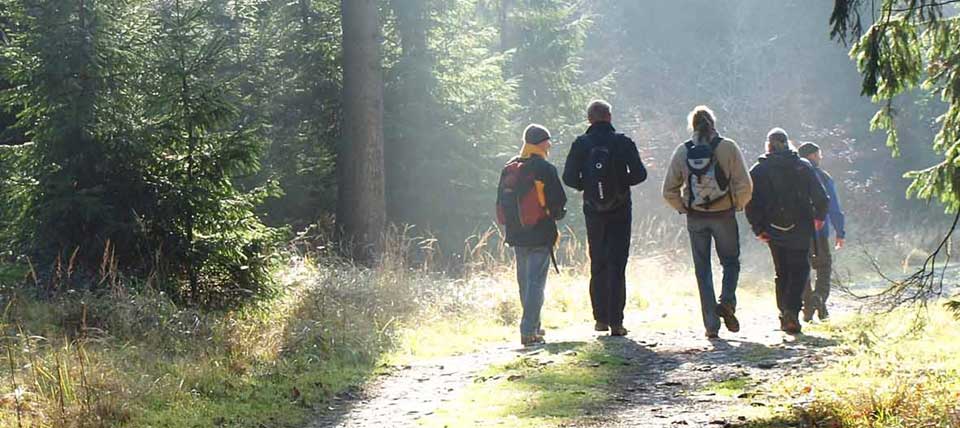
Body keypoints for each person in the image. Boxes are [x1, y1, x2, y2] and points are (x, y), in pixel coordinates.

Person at [662, 105, 753, 339]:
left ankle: (711, 326)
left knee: (702, 270)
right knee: (731, 262)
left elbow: (668, 191)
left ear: (692, 126)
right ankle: (727, 302)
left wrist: (684, 208)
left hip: (696, 218)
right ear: (713, 123)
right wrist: (737, 204)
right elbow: (746, 185)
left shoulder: (682, 152)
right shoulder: (728, 147)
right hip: (724, 216)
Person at [562, 100, 646, 337]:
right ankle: (617, 322)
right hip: (620, 210)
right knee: (617, 264)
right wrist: (620, 184)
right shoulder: (623, 142)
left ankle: (600, 319)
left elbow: (568, 177)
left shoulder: (581, 144)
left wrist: (587, 187)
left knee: (598, 261)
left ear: (589, 119)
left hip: (593, 210)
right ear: (609, 116)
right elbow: (640, 174)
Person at [745, 128, 828, 334]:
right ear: (788, 143)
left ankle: (785, 313)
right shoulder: (803, 166)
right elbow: (821, 196)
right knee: (800, 269)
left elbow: (751, 202)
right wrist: (819, 217)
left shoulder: (758, 170)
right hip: (801, 226)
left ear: (768, 146)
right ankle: (791, 311)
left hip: (773, 228)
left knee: (782, 272)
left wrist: (758, 228)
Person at [496, 124, 567, 346]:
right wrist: (556, 215)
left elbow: (500, 201)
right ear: (540, 143)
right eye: (548, 141)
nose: (550, 145)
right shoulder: (545, 168)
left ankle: (534, 325)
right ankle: (528, 330)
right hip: (540, 233)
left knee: (524, 282)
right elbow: (559, 201)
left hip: (516, 234)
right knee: (536, 282)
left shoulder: (510, 167)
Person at [797, 142, 846, 322]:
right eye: (819, 155)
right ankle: (819, 297)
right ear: (812, 155)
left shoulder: (792, 175)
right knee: (824, 267)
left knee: (802, 269)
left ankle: (808, 304)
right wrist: (840, 231)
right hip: (819, 231)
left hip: (797, 232)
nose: (821, 158)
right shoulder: (823, 177)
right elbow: (833, 206)